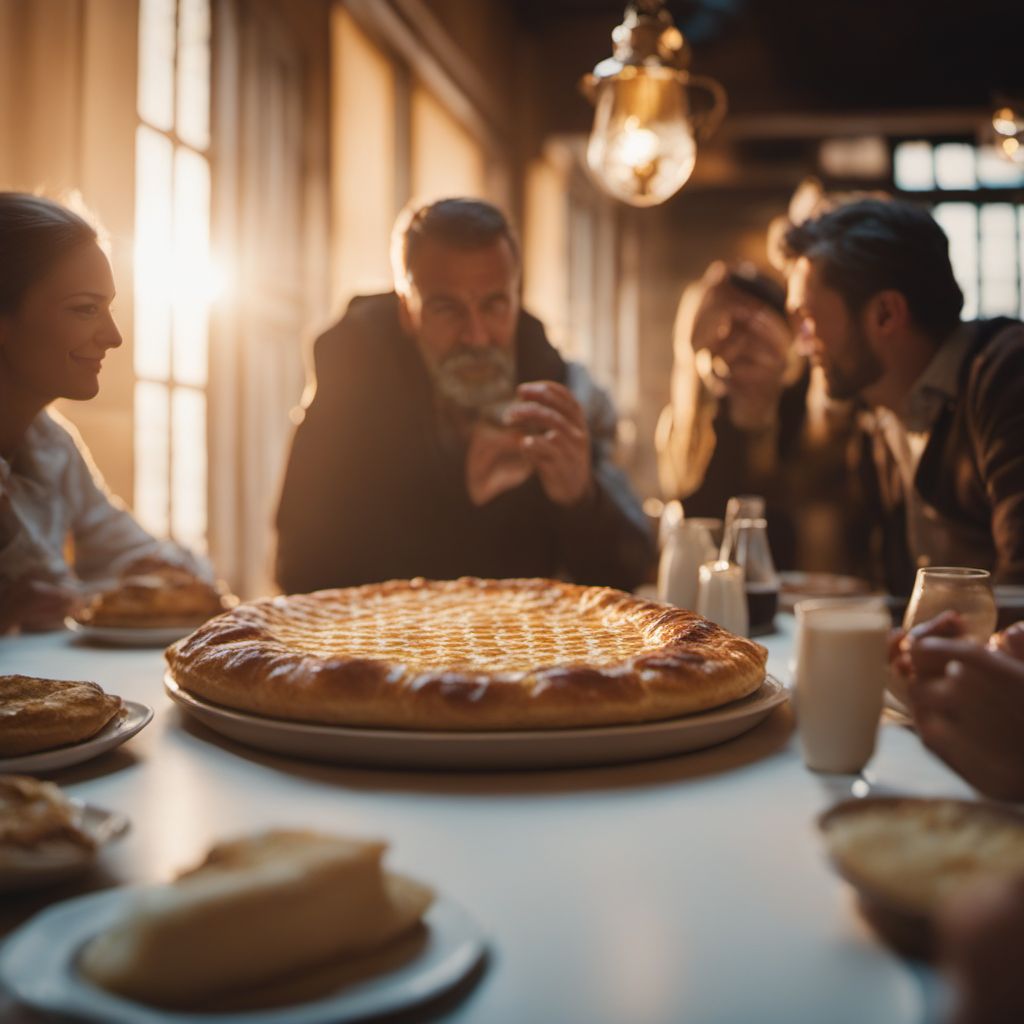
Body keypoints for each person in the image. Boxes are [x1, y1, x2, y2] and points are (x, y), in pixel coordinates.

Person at [275, 198, 654, 594]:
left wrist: (580, 499)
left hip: (526, 647)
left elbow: (626, 573)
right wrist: (461, 498)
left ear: (515, 297)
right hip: (383, 649)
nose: (476, 336)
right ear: (407, 310)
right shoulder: (351, 383)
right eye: (446, 309)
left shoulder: (550, 384)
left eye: (494, 305)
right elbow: (299, 569)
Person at [784, 198, 1024, 595]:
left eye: (808, 319)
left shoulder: (1006, 377)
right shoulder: (880, 414)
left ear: (886, 314)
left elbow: (1022, 593)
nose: (802, 344)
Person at [0, 192, 205, 632]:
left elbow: (135, 552)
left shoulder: (51, 444)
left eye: (108, 309)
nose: (113, 337)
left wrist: (173, 578)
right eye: (85, 309)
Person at [655, 260, 859, 571]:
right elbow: (694, 531)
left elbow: (806, 535)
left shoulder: (816, 417)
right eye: (726, 331)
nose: (741, 346)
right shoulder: (687, 424)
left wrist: (761, 420)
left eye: (754, 329)